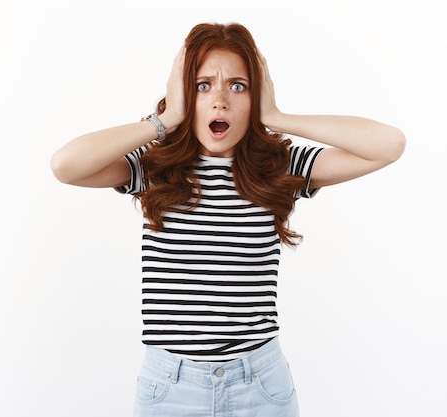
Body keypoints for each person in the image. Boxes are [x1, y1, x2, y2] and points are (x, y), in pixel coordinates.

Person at [50, 22, 405, 417]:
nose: (220, 100)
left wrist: (277, 116)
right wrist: (165, 119)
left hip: (261, 386)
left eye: (238, 86)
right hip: (170, 387)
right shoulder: (154, 166)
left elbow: (388, 145)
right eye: (203, 85)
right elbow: (66, 166)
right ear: (185, 94)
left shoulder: (280, 168)